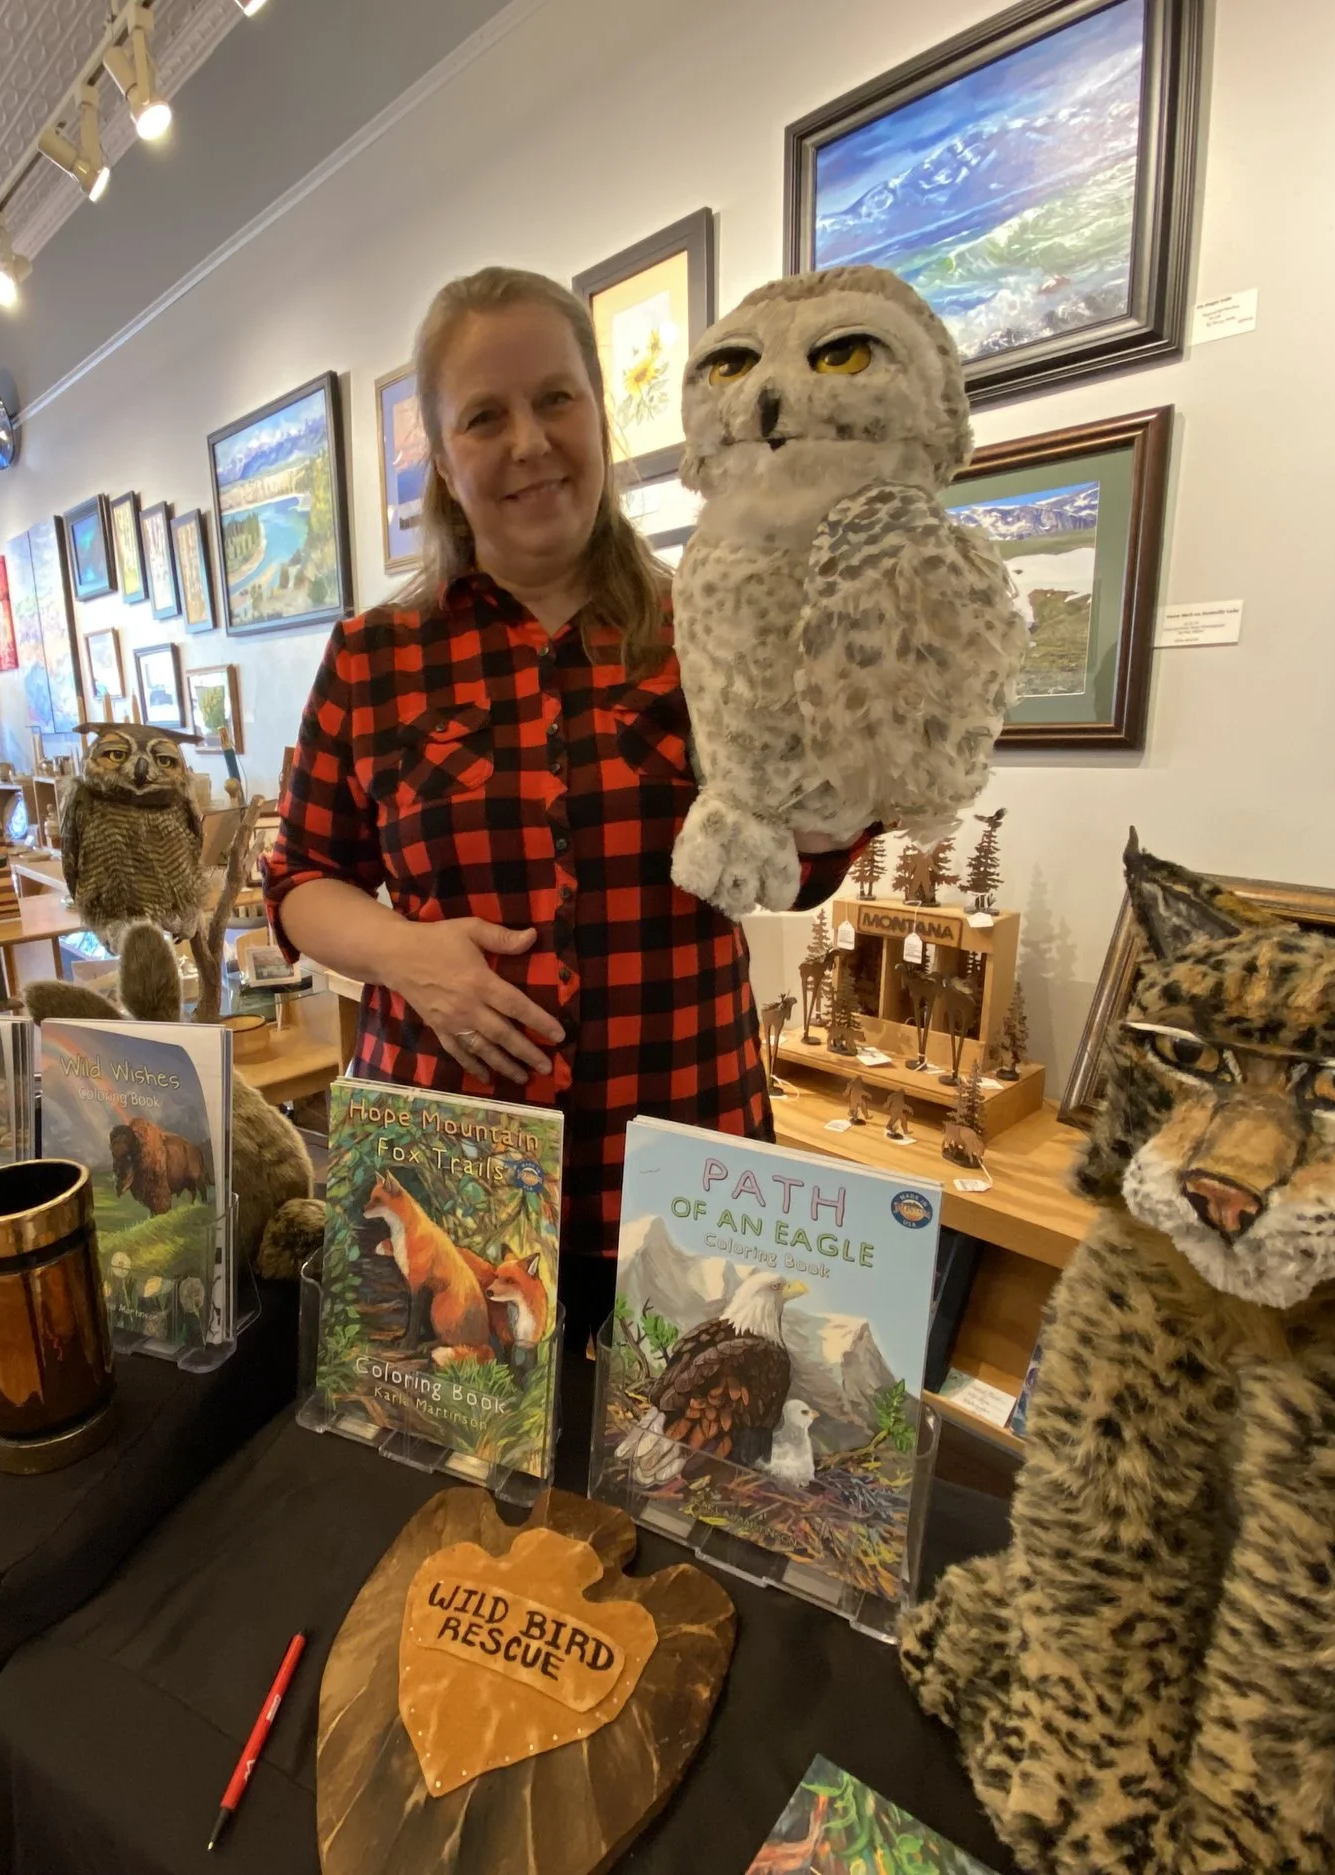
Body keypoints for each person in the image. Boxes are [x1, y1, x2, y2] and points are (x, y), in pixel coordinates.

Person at [264, 267, 866, 1450]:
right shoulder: (374, 658)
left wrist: (846, 786)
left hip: (684, 1160)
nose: (529, 443)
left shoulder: (717, 628)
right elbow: (299, 885)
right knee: (450, 1501)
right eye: (484, 417)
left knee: (696, 1476)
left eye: (556, 401)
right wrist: (410, 958)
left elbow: (802, 872)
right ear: (441, 456)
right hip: (456, 1184)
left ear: (601, 415)